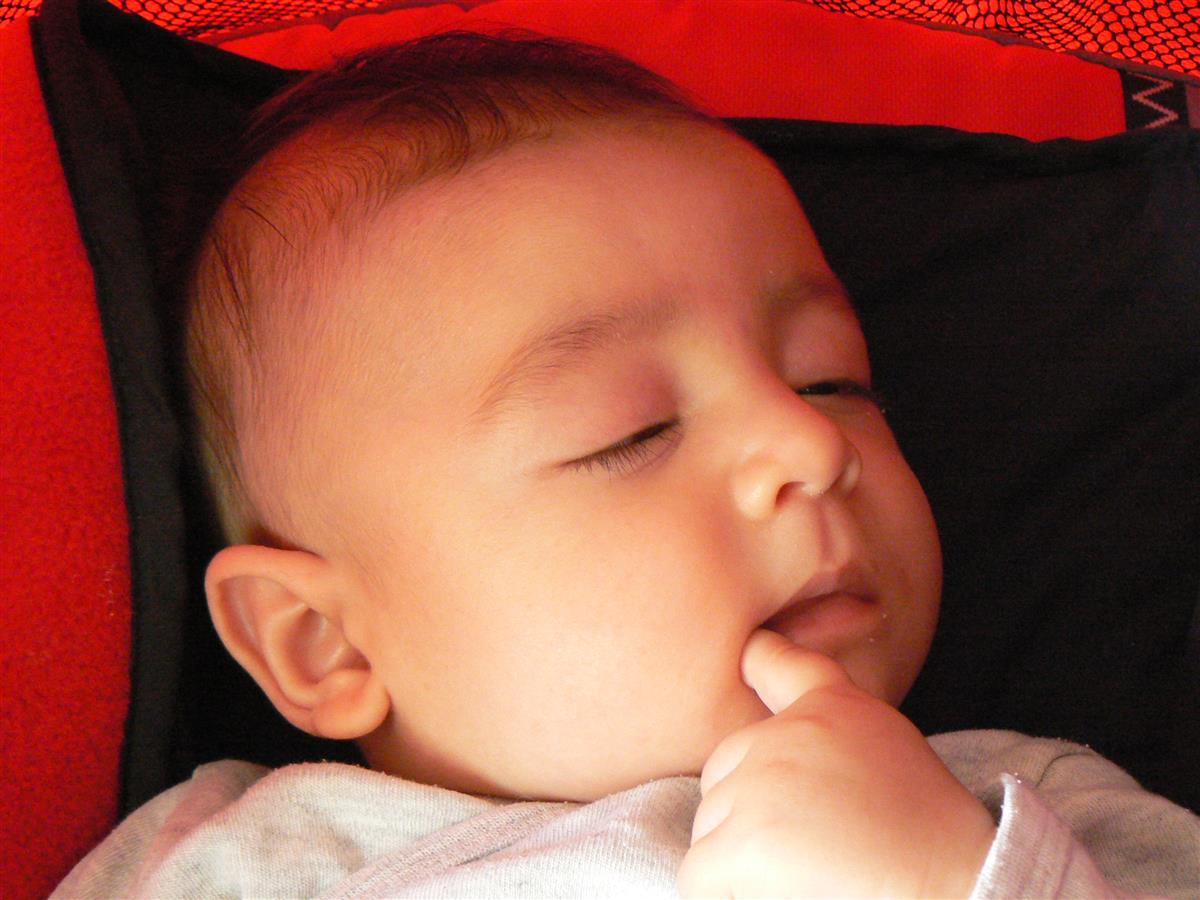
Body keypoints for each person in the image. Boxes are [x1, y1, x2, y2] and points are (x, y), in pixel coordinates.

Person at [54, 31, 1199, 899]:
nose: (811, 447)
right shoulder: (219, 862)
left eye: (832, 382)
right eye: (631, 432)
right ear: (327, 641)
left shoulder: (1021, 810)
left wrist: (945, 884)